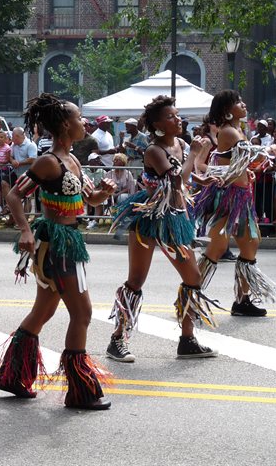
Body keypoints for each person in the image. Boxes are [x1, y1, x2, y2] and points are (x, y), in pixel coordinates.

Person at [0, 94, 116, 409]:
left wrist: (103, 193)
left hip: (68, 240)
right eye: (78, 117)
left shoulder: (72, 160)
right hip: (56, 244)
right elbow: (15, 196)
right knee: (82, 313)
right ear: (64, 124)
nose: (83, 122)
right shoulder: (48, 162)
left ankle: (12, 375)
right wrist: (24, 230)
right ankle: (80, 391)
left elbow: (90, 199)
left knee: (44, 311)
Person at [107, 95, 219, 362]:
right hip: (149, 217)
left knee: (193, 278)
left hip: (175, 218)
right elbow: (176, 180)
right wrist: (195, 154)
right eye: (171, 116)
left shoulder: (180, 143)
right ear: (157, 125)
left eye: (177, 115)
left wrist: (202, 179)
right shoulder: (154, 151)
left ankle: (187, 340)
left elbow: (185, 175)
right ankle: (117, 339)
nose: (178, 119)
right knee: (136, 281)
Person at [192, 90, 276, 317]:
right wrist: (268, 152)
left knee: (249, 244)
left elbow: (236, 162)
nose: (243, 105)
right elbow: (254, 156)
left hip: (240, 195)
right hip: (228, 197)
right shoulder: (229, 131)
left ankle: (242, 301)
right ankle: (190, 296)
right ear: (227, 110)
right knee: (217, 248)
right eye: (237, 102)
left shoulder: (236, 130)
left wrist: (245, 171)